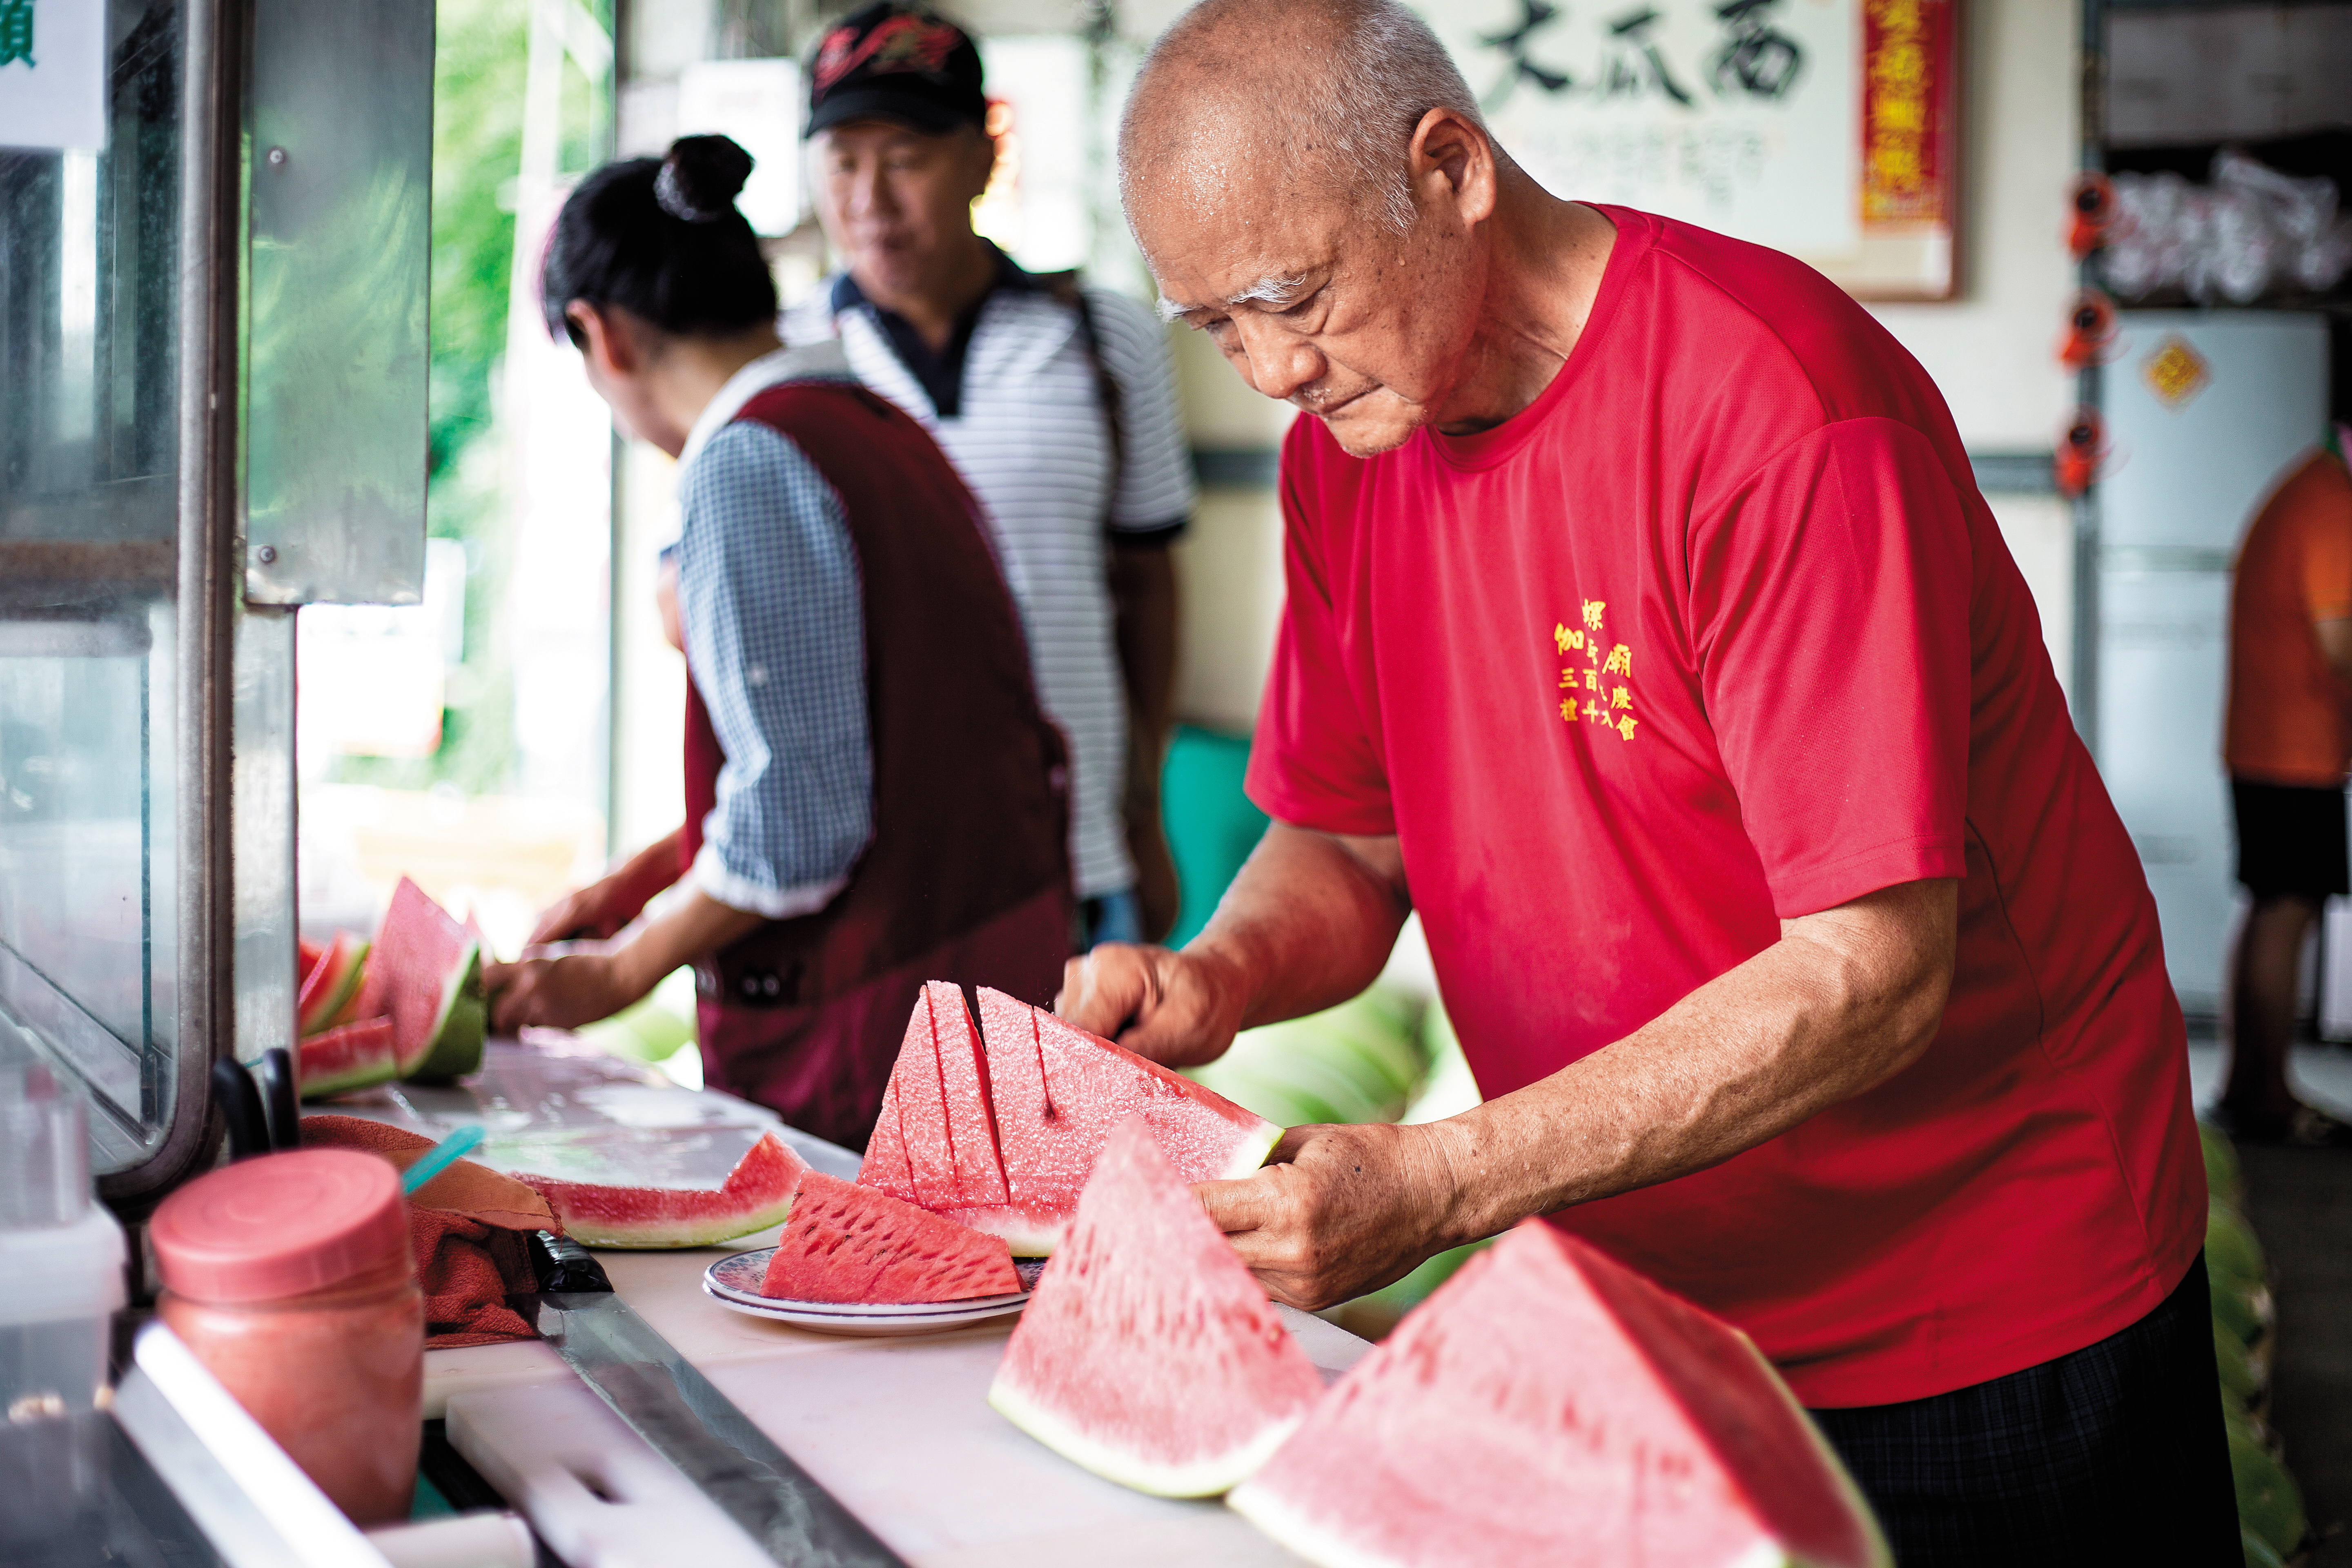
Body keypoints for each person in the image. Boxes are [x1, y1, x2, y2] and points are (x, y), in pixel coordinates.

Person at [1063, 2, 2236, 1559]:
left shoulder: (1776, 415)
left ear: (1452, 168)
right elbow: (1346, 844)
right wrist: (1217, 975)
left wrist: (1442, 1179)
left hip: (1980, 1287)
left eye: (1294, 295)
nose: (1272, 368)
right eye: (1214, 325)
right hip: (1643, 1298)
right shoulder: (1347, 457)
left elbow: (1870, 973)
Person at [486, 135, 1071, 1150]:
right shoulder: (876, 424)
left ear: (601, 335)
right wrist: (636, 888)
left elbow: (802, 817)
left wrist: (625, 967)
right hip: (984, 978)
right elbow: (853, 754)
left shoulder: (746, 464)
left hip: (879, 1030)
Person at [784, 2, 1196, 948]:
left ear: (983, 155)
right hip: (863, 879)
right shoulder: (784, 363)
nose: (870, 200)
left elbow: (1148, 585)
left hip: (1077, 861)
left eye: (907, 157)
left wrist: (1142, 806)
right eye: (844, 160)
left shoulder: (1107, 340)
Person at [2218, 424, 2352, 1146]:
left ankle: (2251, 1086)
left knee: (2274, 904)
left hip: (2275, 744)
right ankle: (2265, 1095)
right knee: (2288, 908)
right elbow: (2342, 643)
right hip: (2292, 748)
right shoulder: (2332, 504)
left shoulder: (2314, 487)